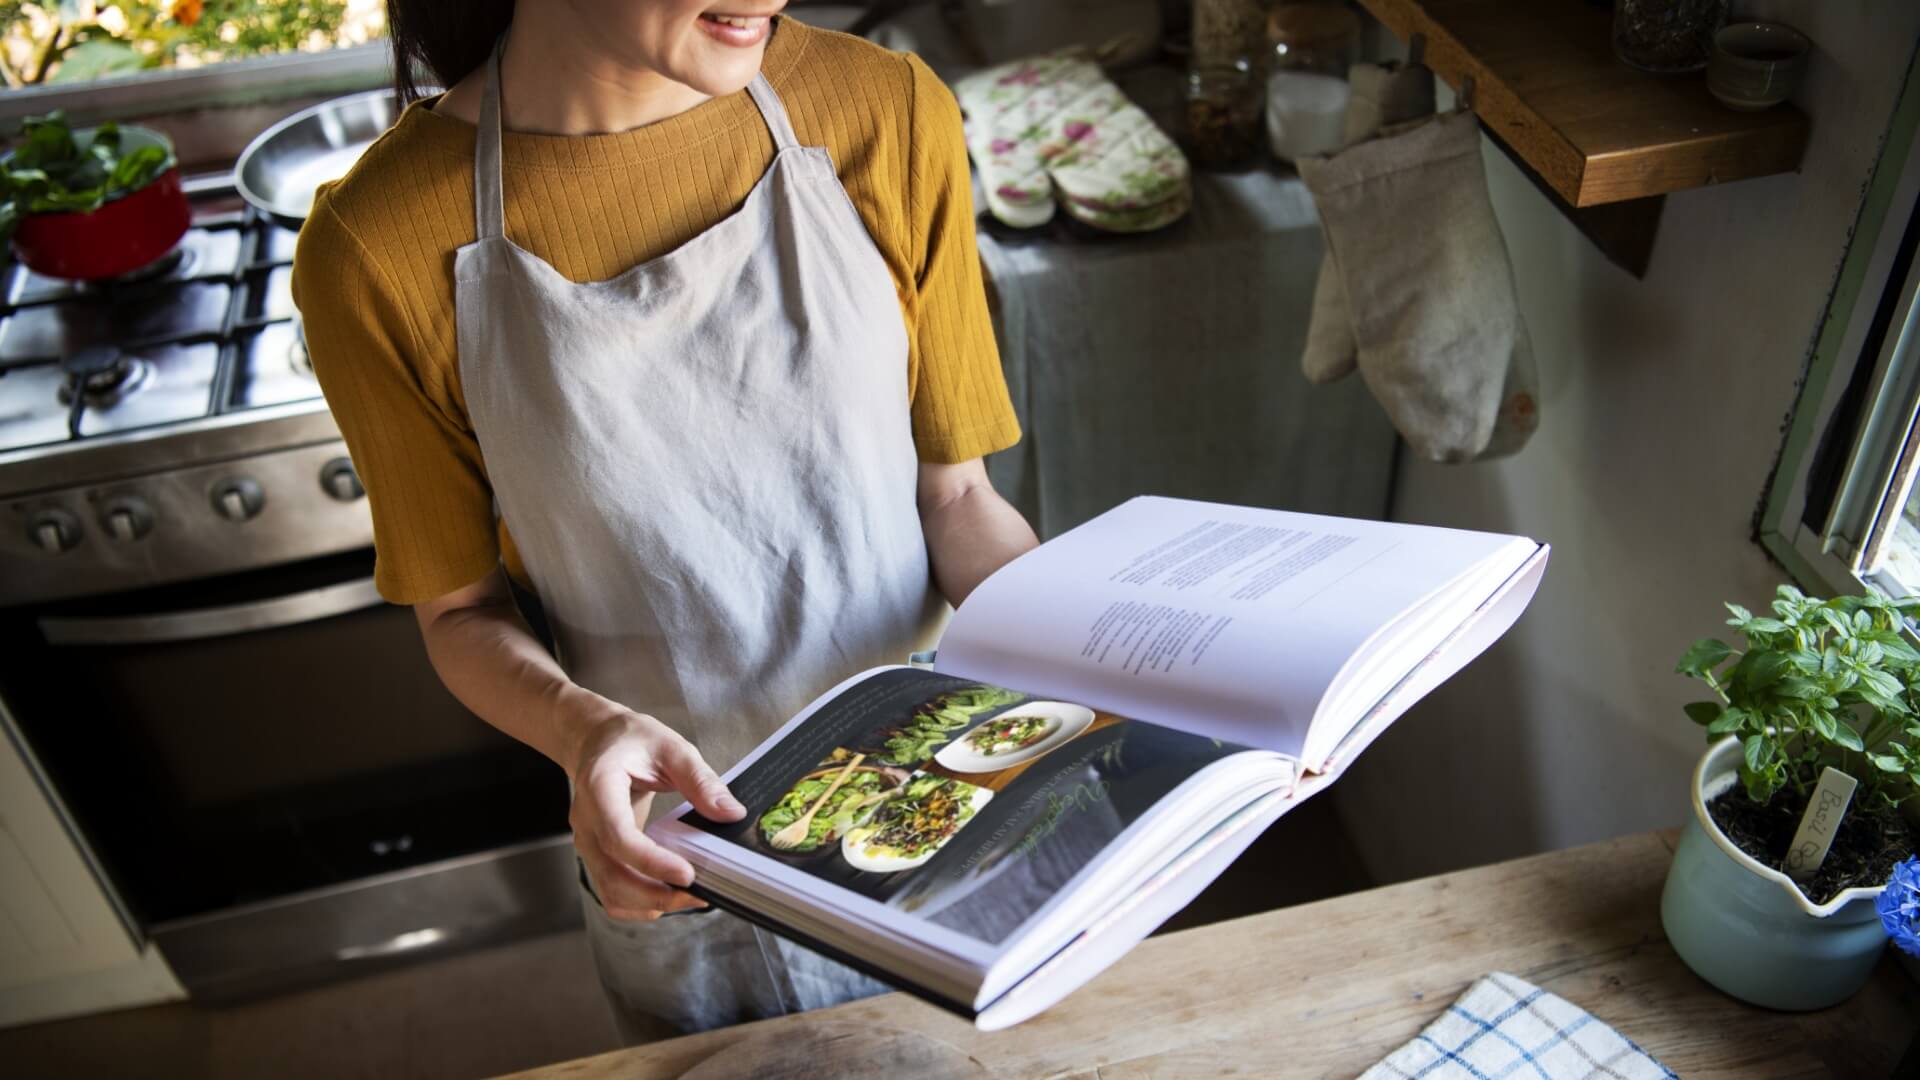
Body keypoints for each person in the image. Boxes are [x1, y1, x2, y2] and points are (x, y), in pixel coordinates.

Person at [291, 0, 1038, 1043]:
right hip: (696, 864)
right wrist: (577, 726)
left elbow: (955, 497)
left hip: (955, 790)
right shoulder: (377, 245)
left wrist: (1104, 665)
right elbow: (459, 610)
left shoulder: (885, 107)